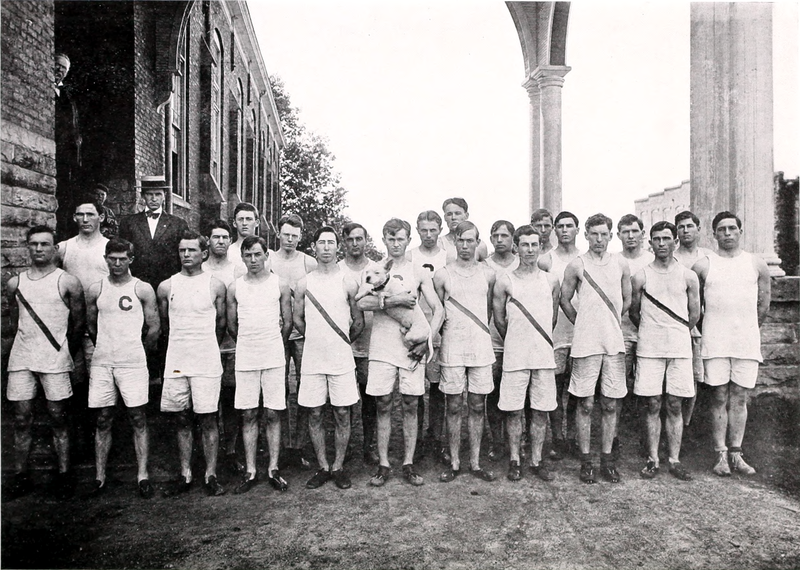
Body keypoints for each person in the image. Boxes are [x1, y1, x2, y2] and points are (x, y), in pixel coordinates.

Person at [360, 218, 443, 487]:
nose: (396, 244)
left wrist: (426, 340)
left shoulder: (418, 271)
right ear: (383, 239)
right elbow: (362, 302)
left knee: (410, 404)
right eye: (391, 239)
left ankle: (408, 463)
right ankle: (384, 465)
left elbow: (438, 309)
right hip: (382, 346)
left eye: (401, 239)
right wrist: (394, 300)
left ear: (409, 240)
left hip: (411, 349)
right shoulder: (374, 269)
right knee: (382, 404)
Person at [5, 226, 84, 500]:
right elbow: (16, 323)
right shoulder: (15, 283)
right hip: (22, 357)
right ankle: (20, 475)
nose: (39, 249)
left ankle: (64, 474)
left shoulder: (68, 282)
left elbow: (78, 324)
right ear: (27, 247)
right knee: (21, 417)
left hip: (55, 358)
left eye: (45, 244)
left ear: (54, 248)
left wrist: (63, 352)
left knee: (58, 417)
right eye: (34, 244)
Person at [692, 211, 771, 477]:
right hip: (715, 341)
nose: (727, 234)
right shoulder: (704, 265)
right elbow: (695, 307)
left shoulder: (756, 264)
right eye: (722, 229)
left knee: (739, 397)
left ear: (740, 231)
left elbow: (764, 305)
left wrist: (747, 329)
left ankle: (737, 454)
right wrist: (709, 330)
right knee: (718, 396)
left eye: (731, 229)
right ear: (714, 234)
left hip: (746, 341)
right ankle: (721, 455)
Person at [85, 238, 160, 498]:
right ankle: (99, 476)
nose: (117, 263)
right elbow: (91, 326)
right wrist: (106, 348)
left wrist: (137, 352)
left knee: (138, 416)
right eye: (112, 258)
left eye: (122, 259)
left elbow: (153, 328)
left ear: (131, 259)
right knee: (103, 418)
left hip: (133, 362)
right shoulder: (96, 288)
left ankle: (142, 475)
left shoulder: (142, 289)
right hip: (103, 362)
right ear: (105, 258)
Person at [560, 213, 631, 484]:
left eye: (604, 234)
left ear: (611, 236)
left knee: (611, 404)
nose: (599, 240)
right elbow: (565, 299)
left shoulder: (620, 264)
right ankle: (586, 460)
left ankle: (608, 460)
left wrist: (609, 322)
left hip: (612, 343)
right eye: (594, 234)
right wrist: (583, 322)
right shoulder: (576, 265)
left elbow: (627, 299)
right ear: (586, 235)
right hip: (585, 344)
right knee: (586, 403)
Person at [157, 231, 227, 497]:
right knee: (182, 418)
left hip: (206, 360)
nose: (186, 255)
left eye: (192, 251)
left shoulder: (215, 285)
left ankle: (211, 474)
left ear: (204, 253)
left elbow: (220, 325)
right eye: (182, 250)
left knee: (209, 417)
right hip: (177, 361)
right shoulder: (167, 286)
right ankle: (185, 474)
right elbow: (165, 325)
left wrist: (205, 347)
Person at [294, 227, 364, 490]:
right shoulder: (304, 283)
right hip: (313, 358)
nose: (325, 247)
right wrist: (315, 339)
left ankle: (339, 466)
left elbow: (358, 322)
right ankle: (323, 467)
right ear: (314, 247)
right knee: (314, 412)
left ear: (338, 247)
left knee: (342, 412)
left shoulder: (348, 282)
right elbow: (298, 319)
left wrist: (341, 342)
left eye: (330, 243)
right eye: (321, 242)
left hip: (341, 358)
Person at [629, 222, 700, 481]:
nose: (661, 244)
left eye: (666, 238)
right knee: (652, 403)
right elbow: (635, 312)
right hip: (649, 348)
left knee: (674, 404)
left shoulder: (688, 276)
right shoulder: (641, 275)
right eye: (656, 239)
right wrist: (653, 331)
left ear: (675, 242)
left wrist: (675, 332)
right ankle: (652, 459)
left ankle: (674, 459)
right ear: (650, 242)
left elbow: (694, 315)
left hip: (679, 348)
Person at [493, 225, 560, 482]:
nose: (530, 250)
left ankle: (536, 460)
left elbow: (551, 318)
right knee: (513, 410)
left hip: (542, 355)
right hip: (515, 355)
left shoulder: (550, 279)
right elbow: (500, 320)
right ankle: (514, 459)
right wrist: (517, 340)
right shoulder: (505, 281)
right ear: (516, 247)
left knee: (541, 410)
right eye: (524, 245)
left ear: (540, 247)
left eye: (534, 245)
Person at [227, 236, 292, 494]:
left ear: (266, 255)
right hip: (246, 356)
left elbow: (287, 322)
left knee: (273, 412)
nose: (253, 260)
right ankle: (251, 470)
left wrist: (274, 342)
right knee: (249, 413)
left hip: (273, 354)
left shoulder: (280, 284)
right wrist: (248, 342)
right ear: (242, 257)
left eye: (257, 254)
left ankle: (273, 469)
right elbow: (232, 326)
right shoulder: (235, 287)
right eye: (248, 255)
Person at [434, 221, 497, 483]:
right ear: (455, 242)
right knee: (454, 404)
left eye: (470, 240)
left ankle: (475, 462)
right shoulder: (442, 274)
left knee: (476, 404)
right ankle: (455, 462)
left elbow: (490, 310)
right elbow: (438, 311)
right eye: (461, 240)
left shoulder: (489, 274)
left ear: (477, 243)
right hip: (453, 346)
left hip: (480, 346)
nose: (465, 245)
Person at [119, 177, 188, 382]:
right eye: (149, 194)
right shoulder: (130, 223)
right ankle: (141, 382)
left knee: (166, 332)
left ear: (164, 196)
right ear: (143, 197)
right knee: (140, 332)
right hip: (138, 289)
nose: (154, 199)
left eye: (158, 194)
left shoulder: (177, 224)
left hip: (167, 289)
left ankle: (165, 382)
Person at [56, 195, 109, 455]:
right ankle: (79, 440)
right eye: (80, 214)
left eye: (90, 214)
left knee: (99, 382)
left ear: (101, 217)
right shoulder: (64, 248)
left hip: (100, 328)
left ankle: (101, 438)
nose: (85, 219)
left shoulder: (110, 249)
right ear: (74, 218)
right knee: (74, 383)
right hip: (70, 328)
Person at [269, 214, 317, 467]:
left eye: (295, 236)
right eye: (286, 234)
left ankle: (299, 446)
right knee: (278, 388)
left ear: (301, 236)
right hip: (274, 333)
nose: (290, 239)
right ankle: (281, 446)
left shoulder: (309, 263)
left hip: (301, 333)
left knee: (304, 387)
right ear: (279, 233)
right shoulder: (267, 260)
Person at [538, 211, 581, 459]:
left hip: (581, 335)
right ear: (554, 229)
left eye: (570, 226)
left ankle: (574, 437)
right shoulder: (546, 261)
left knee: (576, 391)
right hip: (555, 335)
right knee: (554, 388)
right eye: (560, 226)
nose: (565, 230)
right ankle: (557, 438)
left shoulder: (585, 259)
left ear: (577, 230)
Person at [203, 220, 244, 476]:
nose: (220, 241)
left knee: (231, 403)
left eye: (225, 237)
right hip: (205, 347)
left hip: (232, 347)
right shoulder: (200, 268)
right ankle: (208, 456)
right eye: (216, 236)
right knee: (207, 406)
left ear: (230, 241)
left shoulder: (238, 270)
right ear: (207, 240)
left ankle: (231, 452)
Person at [408, 210, 448, 463]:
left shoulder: (448, 256)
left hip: (439, 329)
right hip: (414, 331)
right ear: (417, 230)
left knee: (437, 388)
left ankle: (436, 438)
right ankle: (419, 440)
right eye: (424, 230)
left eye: (433, 229)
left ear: (440, 229)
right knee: (415, 389)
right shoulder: (410, 257)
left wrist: (436, 332)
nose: (429, 234)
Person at [340, 222, 379, 465]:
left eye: (359, 239)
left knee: (369, 398)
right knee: (342, 400)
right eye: (351, 239)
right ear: (344, 242)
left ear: (366, 240)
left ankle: (369, 445)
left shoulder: (376, 269)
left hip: (370, 344)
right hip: (342, 344)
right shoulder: (336, 270)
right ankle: (344, 448)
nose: (355, 243)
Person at [615, 214, 654, 456]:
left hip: (649, 335)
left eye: (634, 231)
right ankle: (615, 437)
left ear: (642, 233)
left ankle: (647, 438)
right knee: (618, 387)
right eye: (625, 231)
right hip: (621, 333)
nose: (630, 236)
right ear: (618, 235)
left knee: (648, 390)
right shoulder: (612, 261)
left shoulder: (652, 260)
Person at [674, 210, 714, 428]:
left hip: (705, 323)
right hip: (679, 323)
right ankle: (675, 424)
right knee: (678, 378)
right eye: (681, 227)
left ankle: (690, 426)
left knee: (698, 377)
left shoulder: (708, 256)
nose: (685, 230)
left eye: (690, 226)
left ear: (698, 229)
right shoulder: (671, 256)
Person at [484, 220, 519, 462]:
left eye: (504, 235)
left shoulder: (522, 263)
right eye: (495, 235)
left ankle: (518, 440)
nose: (499, 240)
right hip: (493, 340)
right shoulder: (484, 266)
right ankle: (496, 440)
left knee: (519, 394)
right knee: (494, 393)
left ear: (513, 238)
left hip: (519, 341)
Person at [54, 53, 82, 239]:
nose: (59, 70)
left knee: (64, 199)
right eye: (57, 65)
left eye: (63, 68)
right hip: (52, 149)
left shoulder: (68, 97)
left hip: (65, 155)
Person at [439, 197, 488, 263]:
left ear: (466, 215)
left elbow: (484, 270)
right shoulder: (439, 244)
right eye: (449, 214)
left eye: (457, 213)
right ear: (445, 218)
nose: (453, 217)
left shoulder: (479, 246)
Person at [227, 202, 260, 274]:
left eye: (249, 219)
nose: (244, 223)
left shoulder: (266, 253)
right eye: (241, 219)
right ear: (234, 223)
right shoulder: (228, 252)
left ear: (257, 223)